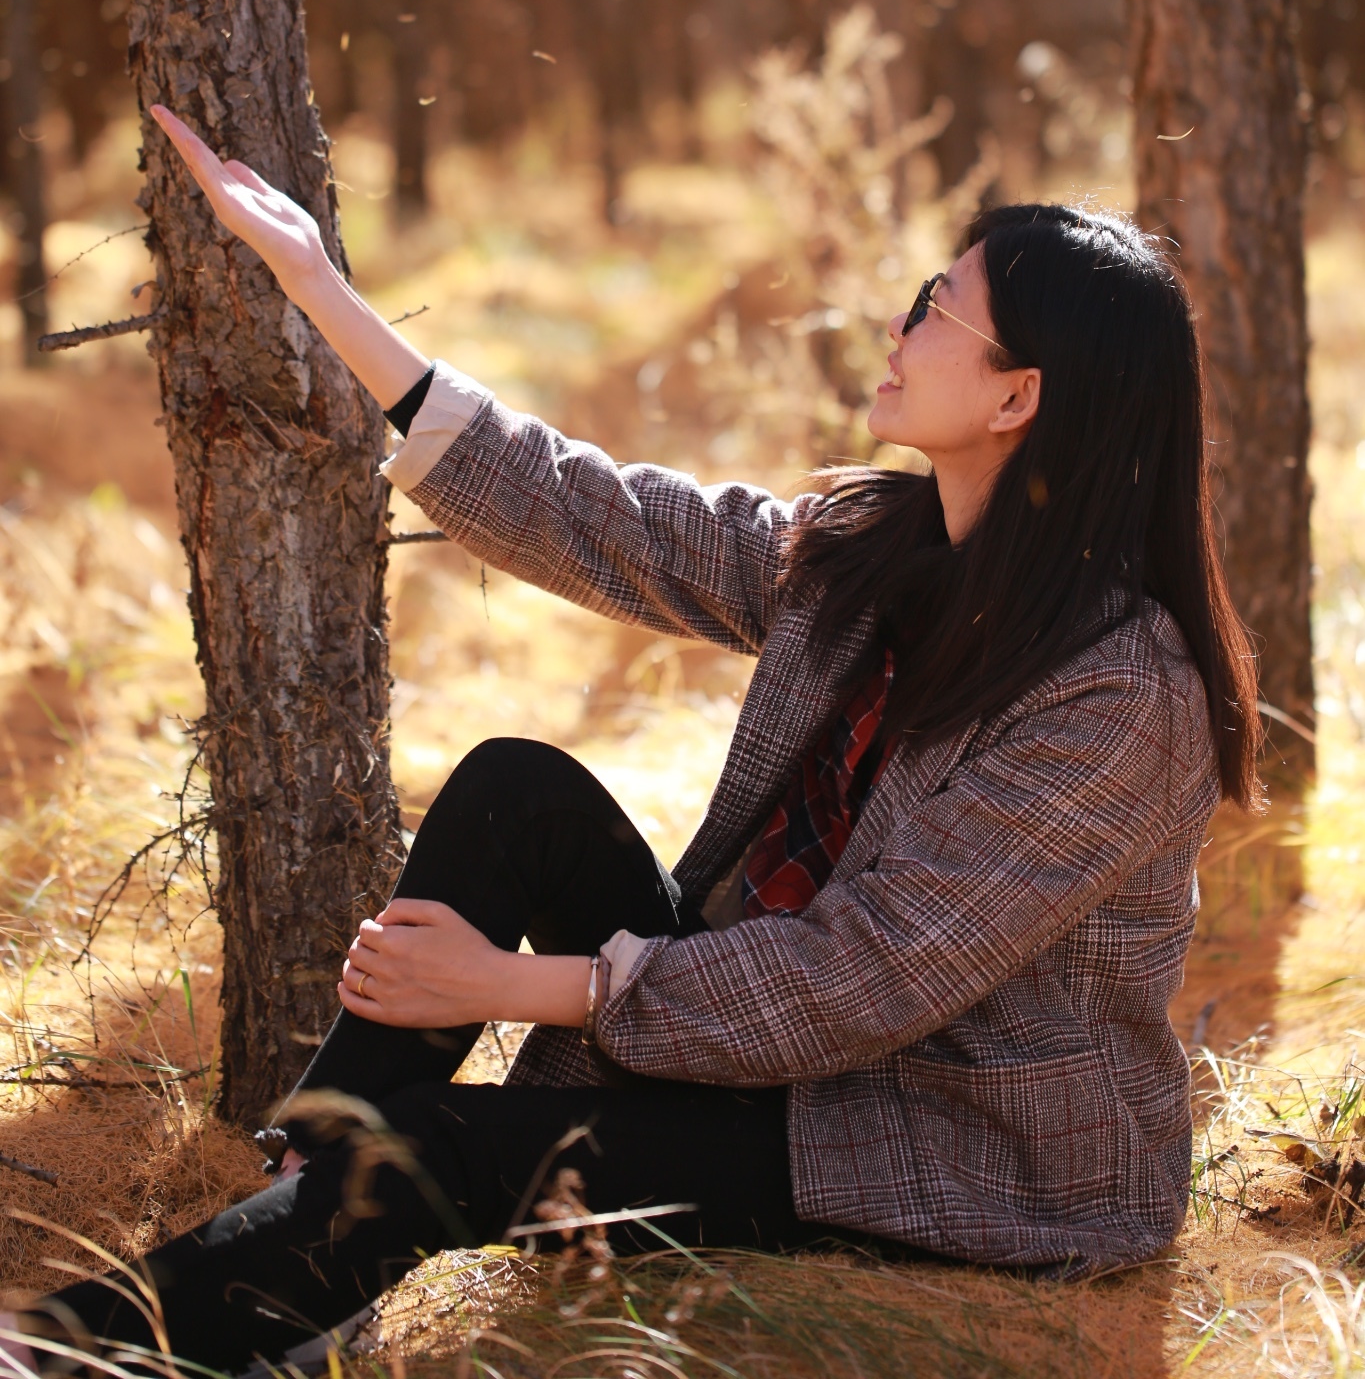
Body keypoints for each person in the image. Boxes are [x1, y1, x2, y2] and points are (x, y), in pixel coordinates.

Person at [0, 106, 1261, 1378]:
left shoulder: (1117, 694)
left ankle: (59, 1359)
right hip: (776, 1048)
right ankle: (292, 1219)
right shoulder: (881, 550)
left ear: (1017, 394)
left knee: (448, 1147)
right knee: (515, 792)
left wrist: (519, 987)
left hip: (957, 1144)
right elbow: (603, 515)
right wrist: (318, 284)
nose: (901, 320)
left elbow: (867, 977)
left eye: (939, 304)